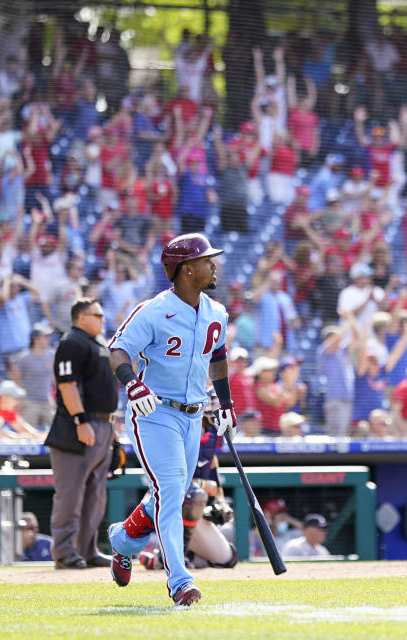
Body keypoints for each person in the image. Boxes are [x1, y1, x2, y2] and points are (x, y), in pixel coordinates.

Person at [106, 233, 236, 606]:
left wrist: (224, 402)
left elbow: (219, 357)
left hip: (195, 415)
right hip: (154, 411)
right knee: (171, 490)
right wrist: (132, 385)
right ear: (186, 269)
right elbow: (118, 351)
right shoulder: (152, 310)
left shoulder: (216, 311)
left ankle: (122, 539)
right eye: (207, 260)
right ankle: (180, 582)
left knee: (171, 491)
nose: (214, 265)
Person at [45, 298, 118, 570]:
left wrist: (113, 431)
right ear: (81, 318)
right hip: (77, 429)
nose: (102, 319)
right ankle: (64, 553)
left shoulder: (97, 344)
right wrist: (80, 420)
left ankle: (86, 551)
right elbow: (67, 385)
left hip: (103, 426)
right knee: (70, 495)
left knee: (95, 497)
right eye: (97, 315)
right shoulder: (72, 343)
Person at [140, 390, 237, 571]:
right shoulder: (177, 431)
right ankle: (174, 557)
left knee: (228, 559)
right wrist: (201, 485)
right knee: (196, 495)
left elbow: (213, 469)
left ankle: (161, 559)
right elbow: (169, 478)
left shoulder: (211, 435)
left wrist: (220, 501)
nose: (214, 410)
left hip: (196, 511)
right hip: (169, 504)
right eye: (211, 405)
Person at [11, 327, 56, 430]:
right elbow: (16, 380)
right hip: (29, 403)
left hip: (47, 402)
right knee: (28, 435)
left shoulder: (52, 355)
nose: (48, 339)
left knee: (55, 434)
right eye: (45, 337)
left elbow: (54, 379)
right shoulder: (24, 358)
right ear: (36, 339)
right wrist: (20, 402)